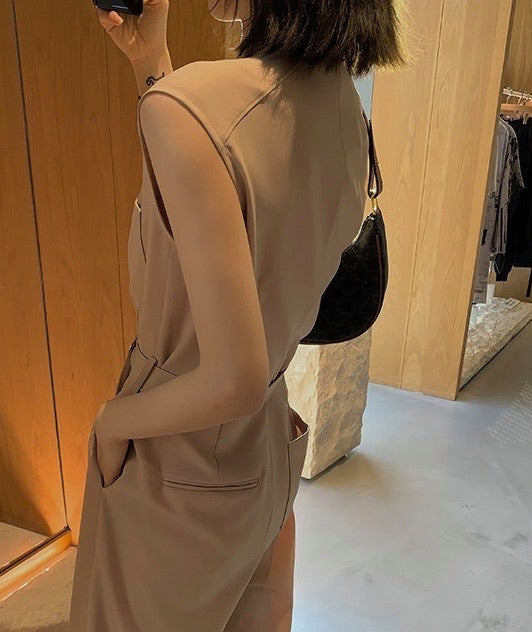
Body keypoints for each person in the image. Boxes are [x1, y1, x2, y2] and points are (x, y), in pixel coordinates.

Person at [69, 1, 406, 630]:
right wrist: (151, 63)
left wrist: (112, 423)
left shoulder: (192, 107)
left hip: (178, 462)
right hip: (265, 451)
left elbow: (231, 379)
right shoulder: (344, 106)